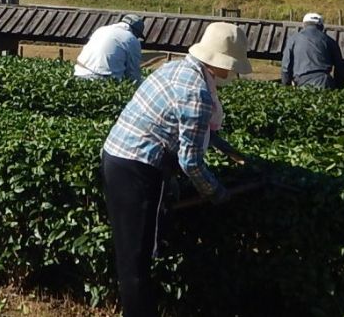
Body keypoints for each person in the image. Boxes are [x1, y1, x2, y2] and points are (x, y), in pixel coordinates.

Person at [101, 22, 252, 317]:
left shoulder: (178, 68)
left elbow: (183, 126)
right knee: (135, 263)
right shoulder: (197, 93)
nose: (233, 72)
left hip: (118, 155)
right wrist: (215, 190)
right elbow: (191, 162)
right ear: (220, 62)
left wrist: (225, 148)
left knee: (133, 255)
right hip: (136, 168)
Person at [280, 11, 344, 89]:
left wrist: (286, 86)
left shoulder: (293, 39)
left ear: (304, 25)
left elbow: (286, 66)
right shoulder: (329, 41)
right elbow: (340, 69)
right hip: (325, 83)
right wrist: (338, 88)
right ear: (321, 26)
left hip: (302, 83)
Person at [74, 13, 145, 81]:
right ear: (136, 32)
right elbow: (133, 73)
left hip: (79, 72)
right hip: (103, 79)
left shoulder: (101, 29)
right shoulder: (132, 39)